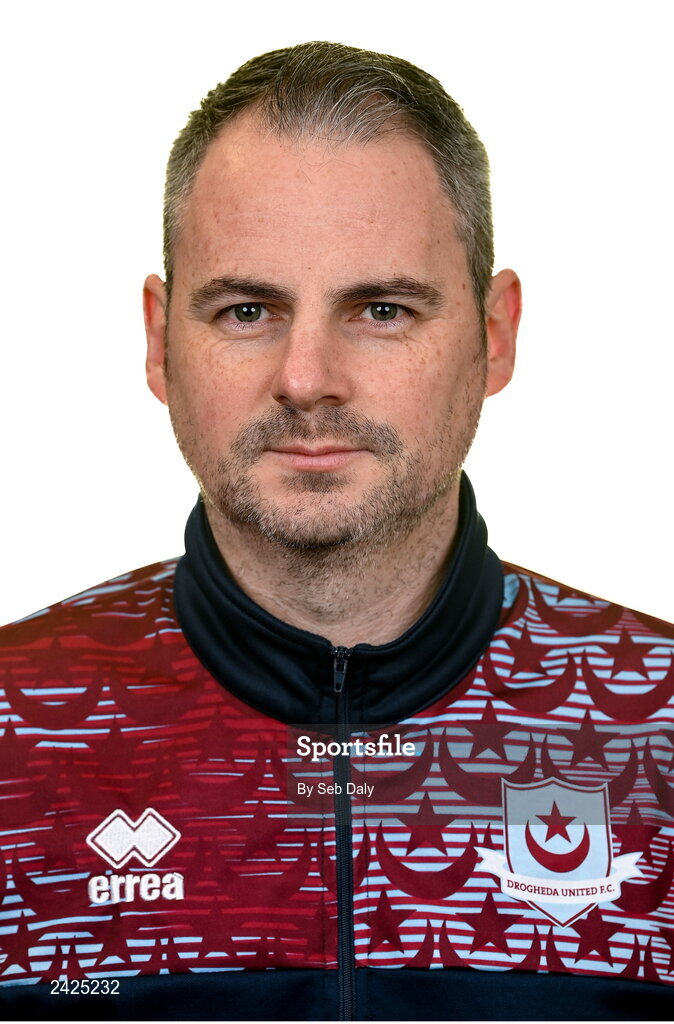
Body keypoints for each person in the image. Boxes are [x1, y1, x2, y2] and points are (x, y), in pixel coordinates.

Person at [0, 40, 673, 1022]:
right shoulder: (15, 728)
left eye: (381, 309)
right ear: (158, 341)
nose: (306, 376)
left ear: (494, 334)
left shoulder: (653, 727)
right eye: (246, 309)